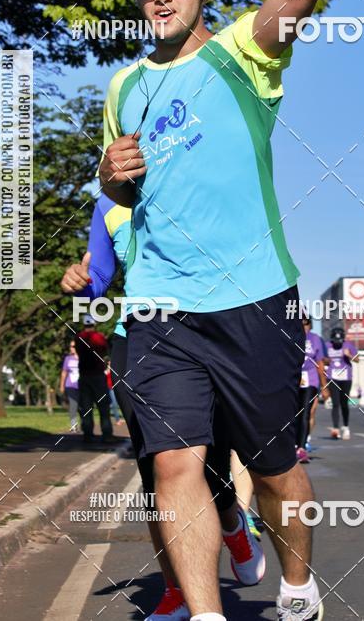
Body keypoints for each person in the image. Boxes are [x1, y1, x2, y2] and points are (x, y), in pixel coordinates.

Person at [99, 0, 324, 621]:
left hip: (255, 296)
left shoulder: (241, 53)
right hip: (163, 304)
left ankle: (296, 587)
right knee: (171, 461)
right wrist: (111, 174)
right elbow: (124, 195)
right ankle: (204, 614)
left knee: (272, 466)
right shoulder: (125, 87)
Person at [61, 194, 265, 620]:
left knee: (212, 470)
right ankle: (176, 589)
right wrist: (83, 280)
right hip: (139, 337)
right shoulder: (108, 205)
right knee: (158, 473)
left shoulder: (194, 175)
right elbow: (100, 274)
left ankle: (234, 528)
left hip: (209, 328)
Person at [74, 314, 113, 444]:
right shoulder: (99, 337)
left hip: (84, 376)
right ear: (94, 324)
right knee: (103, 407)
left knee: (86, 407)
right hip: (98, 376)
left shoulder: (78, 337)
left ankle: (88, 434)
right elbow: (104, 350)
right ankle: (107, 434)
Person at [296, 315, 327, 463]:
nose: (304, 326)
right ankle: (293, 444)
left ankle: (301, 448)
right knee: (292, 414)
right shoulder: (290, 335)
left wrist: (324, 386)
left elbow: (320, 363)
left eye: (306, 323)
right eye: (301, 323)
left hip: (311, 380)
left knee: (305, 413)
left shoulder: (315, 339)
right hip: (292, 379)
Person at [324, 326, 358, 439]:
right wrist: (327, 360)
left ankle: (346, 426)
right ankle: (335, 428)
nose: (337, 344)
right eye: (335, 342)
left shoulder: (348, 345)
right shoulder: (327, 346)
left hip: (346, 377)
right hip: (332, 377)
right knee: (335, 403)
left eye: (339, 342)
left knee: (344, 403)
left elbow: (358, 359)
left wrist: (349, 355)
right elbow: (321, 359)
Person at [59, 340, 79, 431]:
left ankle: (86, 426)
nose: (71, 348)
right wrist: (62, 385)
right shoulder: (68, 359)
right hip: (70, 385)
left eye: (73, 346)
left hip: (82, 386)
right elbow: (64, 372)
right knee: (73, 405)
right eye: (70, 346)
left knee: (83, 406)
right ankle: (73, 425)